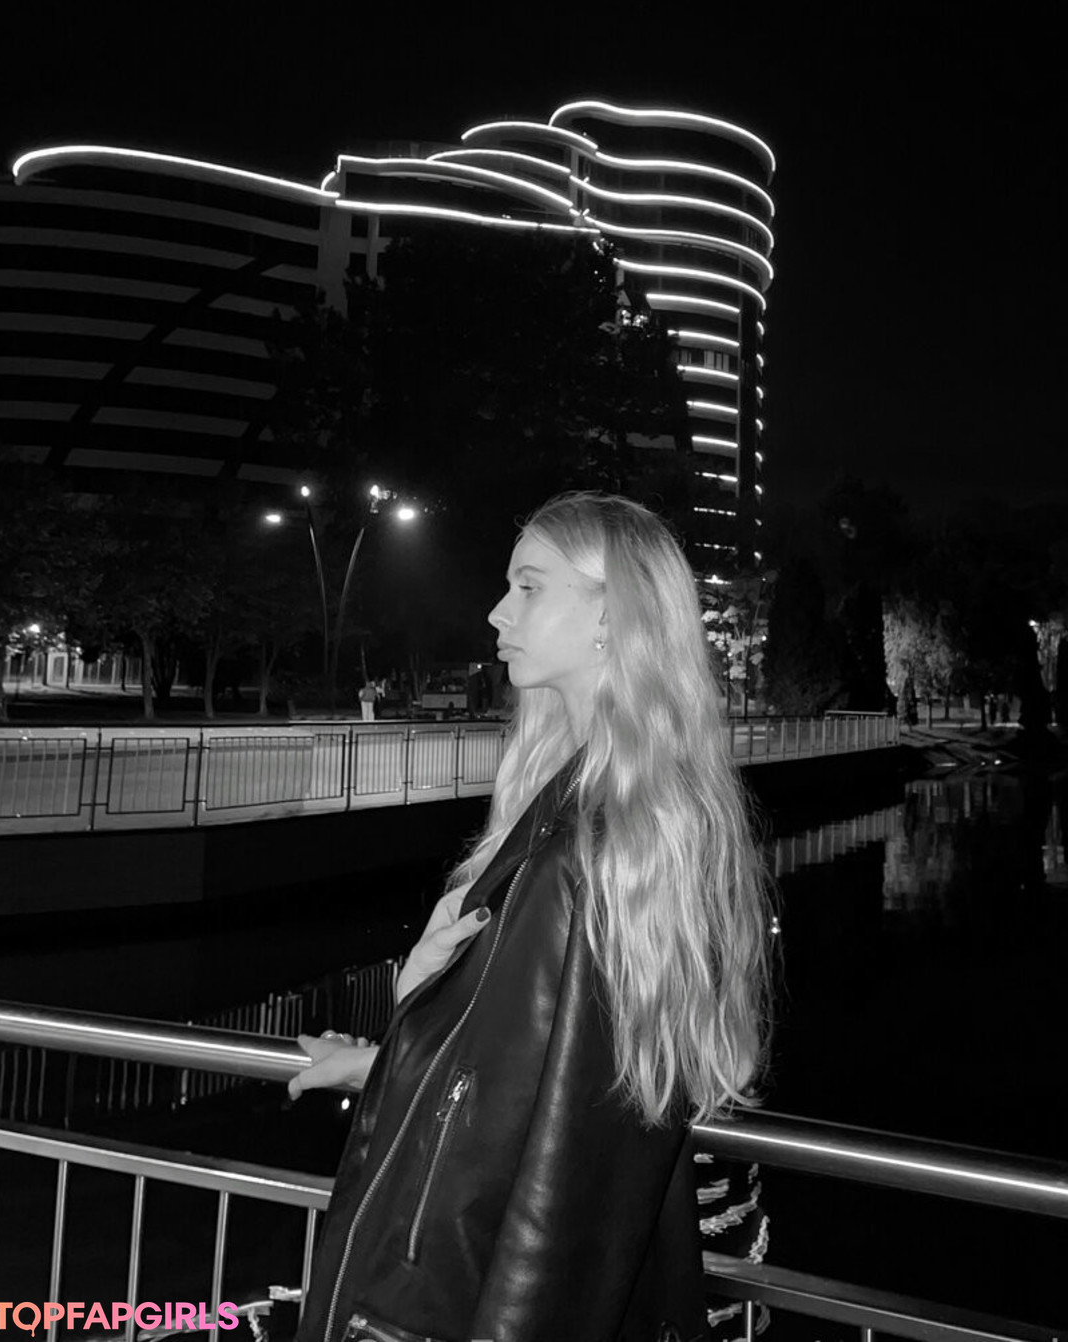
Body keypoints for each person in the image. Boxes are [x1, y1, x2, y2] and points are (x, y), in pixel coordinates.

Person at [290, 492, 770, 1342]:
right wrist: (393, 1049)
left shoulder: (601, 841)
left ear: (610, 616)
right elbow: (542, 1077)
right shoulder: (608, 807)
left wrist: (415, 1010)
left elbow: (566, 1147)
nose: (497, 611)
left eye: (530, 586)